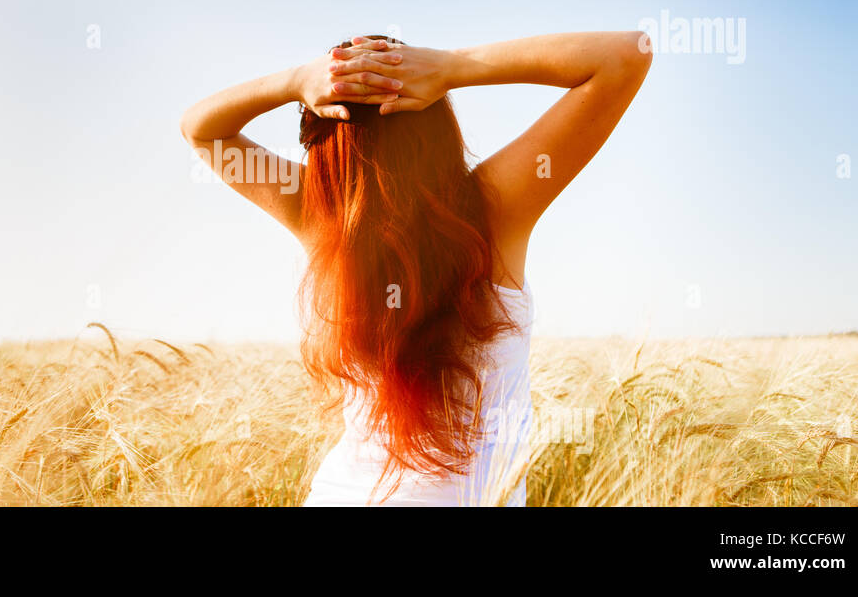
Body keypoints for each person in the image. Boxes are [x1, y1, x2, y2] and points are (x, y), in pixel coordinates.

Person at [179, 31, 653, 505]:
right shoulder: (496, 209)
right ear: (438, 120)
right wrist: (453, 67)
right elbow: (626, 56)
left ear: (320, 140)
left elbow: (201, 129)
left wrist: (294, 81)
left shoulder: (318, 217)